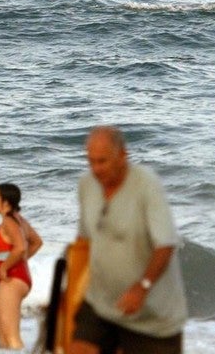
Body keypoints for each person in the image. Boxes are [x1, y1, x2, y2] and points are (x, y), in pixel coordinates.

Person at [69, 125, 187, 354]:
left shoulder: (146, 186)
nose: (95, 169)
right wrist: (68, 294)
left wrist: (141, 288)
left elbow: (165, 244)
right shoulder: (87, 185)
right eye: (90, 161)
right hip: (101, 304)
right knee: (78, 349)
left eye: (102, 161)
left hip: (150, 316)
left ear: (123, 155)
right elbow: (83, 244)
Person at [0, 183, 43, 350]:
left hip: (12, 279)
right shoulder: (20, 220)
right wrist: (21, 261)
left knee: (11, 336)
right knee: (2, 333)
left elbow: (20, 247)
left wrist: (5, 267)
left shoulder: (9, 221)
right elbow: (36, 242)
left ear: (6, 202)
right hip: (19, 276)